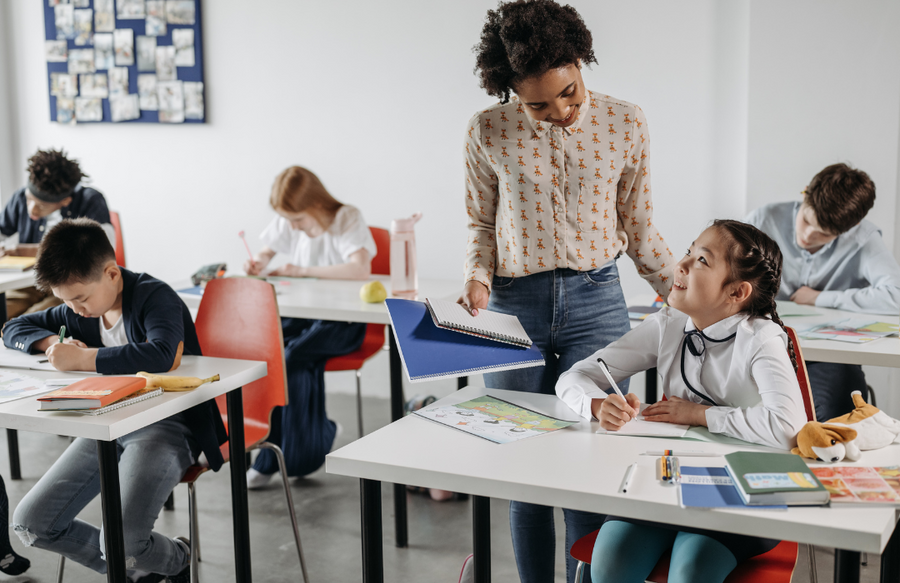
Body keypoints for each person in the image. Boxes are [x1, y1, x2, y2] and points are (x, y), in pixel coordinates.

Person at [458, 1, 674, 581]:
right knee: (523, 465)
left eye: (570, 93)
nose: (560, 111)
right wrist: (477, 278)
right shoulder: (487, 130)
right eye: (538, 104)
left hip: (597, 300)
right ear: (511, 91)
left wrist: (682, 293)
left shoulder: (626, 122)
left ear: (582, 63)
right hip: (512, 305)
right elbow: (481, 225)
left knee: (589, 458)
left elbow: (639, 224)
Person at [556, 220, 807, 583]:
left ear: (737, 292)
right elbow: (574, 377)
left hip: (741, 490)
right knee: (609, 559)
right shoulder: (669, 323)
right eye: (689, 251)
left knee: (691, 568)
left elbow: (787, 428)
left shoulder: (762, 338)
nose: (682, 264)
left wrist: (700, 415)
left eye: (702, 260)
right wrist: (597, 404)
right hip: (666, 482)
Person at [2, 218, 228, 583]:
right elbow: (13, 327)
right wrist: (50, 344)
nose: (74, 310)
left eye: (80, 299)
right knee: (31, 523)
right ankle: (138, 571)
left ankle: (177, 559)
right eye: (66, 302)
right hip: (106, 423)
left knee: (122, 542)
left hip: (167, 425)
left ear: (111, 274)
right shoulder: (84, 309)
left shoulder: (155, 296)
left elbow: (162, 353)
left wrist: (84, 359)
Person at [243, 166, 375, 489]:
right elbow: (266, 249)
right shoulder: (291, 220)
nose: (292, 226)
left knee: (292, 356)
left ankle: (276, 456)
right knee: (269, 353)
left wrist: (302, 270)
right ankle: (312, 438)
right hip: (303, 317)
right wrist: (258, 261)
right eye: (288, 220)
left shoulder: (347, 218)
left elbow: (361, 268)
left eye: (297, 220)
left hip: (344, 322)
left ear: (315, 204)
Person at [744, 163, 900, 421]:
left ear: (852, 227)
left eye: (823, 235)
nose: (806, 236)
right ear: (805, 194)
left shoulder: (863, 239)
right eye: (806, 220)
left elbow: (895, 295)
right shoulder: (763, 220)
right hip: (759, 346)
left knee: (833, 414)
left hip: (827, 359)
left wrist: (820, 298)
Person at [0, 149, 115, 319]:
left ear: (65, 201)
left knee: (26, 321)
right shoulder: (19, 198)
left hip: (70, 286)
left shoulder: (91, 200)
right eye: (29, 199)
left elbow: (101, 250)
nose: (31, 209)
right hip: (30, 283)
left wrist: (23, 250)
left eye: (41, 205)